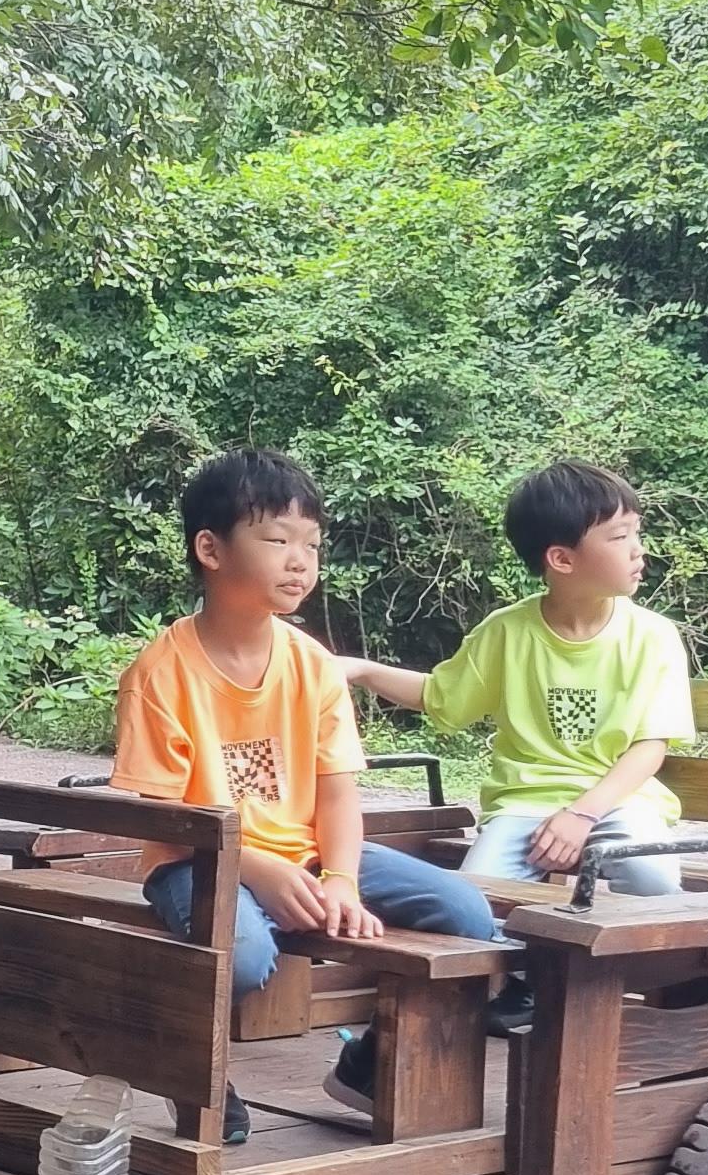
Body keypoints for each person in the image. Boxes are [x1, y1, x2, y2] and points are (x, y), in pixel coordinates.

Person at [112, 448, 505, 1112]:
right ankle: (186, 1075)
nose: (301, 560)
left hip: (312, 854)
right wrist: (258, 871)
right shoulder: (161, 672)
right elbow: (164, 817)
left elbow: (336, 791)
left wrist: (342, 880)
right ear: (210, 549)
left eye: (313, 545)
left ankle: (367, 1063)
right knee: (240, 958)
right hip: (195, 863)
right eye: (276, 539)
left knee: (468, 915)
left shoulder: (312, 664)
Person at [340, 458, 696, 898]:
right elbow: (442, 696)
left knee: (653, 878)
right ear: (562, 558)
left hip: (622, 802)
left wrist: (582, 815)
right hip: (524, 804)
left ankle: (642, 966)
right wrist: (361, 670)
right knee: (476, 898)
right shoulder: (506, 631)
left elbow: (649, 747)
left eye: (636, 532)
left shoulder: (653, 636)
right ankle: (528, 969)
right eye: (620, 536)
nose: (638, 549)